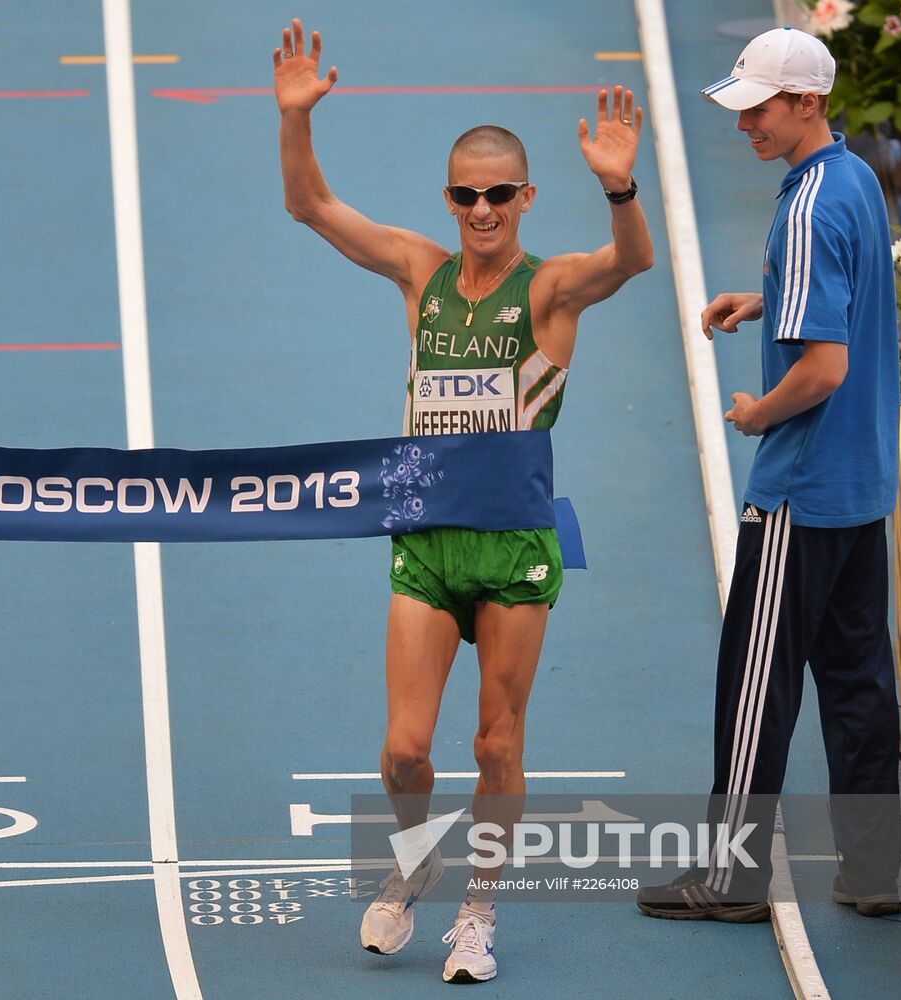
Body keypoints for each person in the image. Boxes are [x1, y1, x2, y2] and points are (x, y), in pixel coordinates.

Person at [273, 17, 653, 983]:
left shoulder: (550, 289)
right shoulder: (421, 271)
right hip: (428, 540)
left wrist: (618, 183)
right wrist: (294, 119)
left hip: (515, 548)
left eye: (496, 196)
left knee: (494, 742)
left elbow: (632, 262)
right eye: (463, 195)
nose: (479, 210)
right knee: (403, 752)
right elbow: (310, 206)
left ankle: (477, 912)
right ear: (447, 199)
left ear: (524, 198)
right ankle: (414, 861)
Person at [636, 26, 901, 923]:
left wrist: (755, 414)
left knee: (755, 691)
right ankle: (870, 875)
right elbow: (848, 293)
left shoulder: (803, 208)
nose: (743, 120)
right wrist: (767, 299)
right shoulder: (855, 179)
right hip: (862, 488)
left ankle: (730, 878)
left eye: (759, 106)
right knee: (859, 684)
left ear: (807, 102)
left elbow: (821, 370)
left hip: (801, 489)